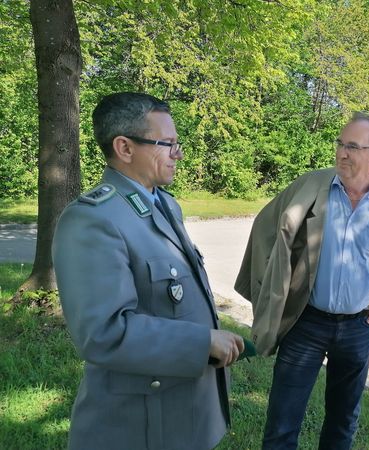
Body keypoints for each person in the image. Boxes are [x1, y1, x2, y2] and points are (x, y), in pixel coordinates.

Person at [52, 92, 244, 450]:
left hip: (182, 410)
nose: (179, 154)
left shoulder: (164, 204)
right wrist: (204, 341)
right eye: (167, 144)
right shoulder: (93, 220)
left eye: (177, 143)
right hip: (139, 425)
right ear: (124, 148)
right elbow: (104, 332)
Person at [235, 112, 369, 449]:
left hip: (359, 327)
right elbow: (268, 228)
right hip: (306, 322)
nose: (342, 153)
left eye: (353, 147)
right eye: (341, 144)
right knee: (283, 420)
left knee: (343, 420)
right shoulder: (312, 187)